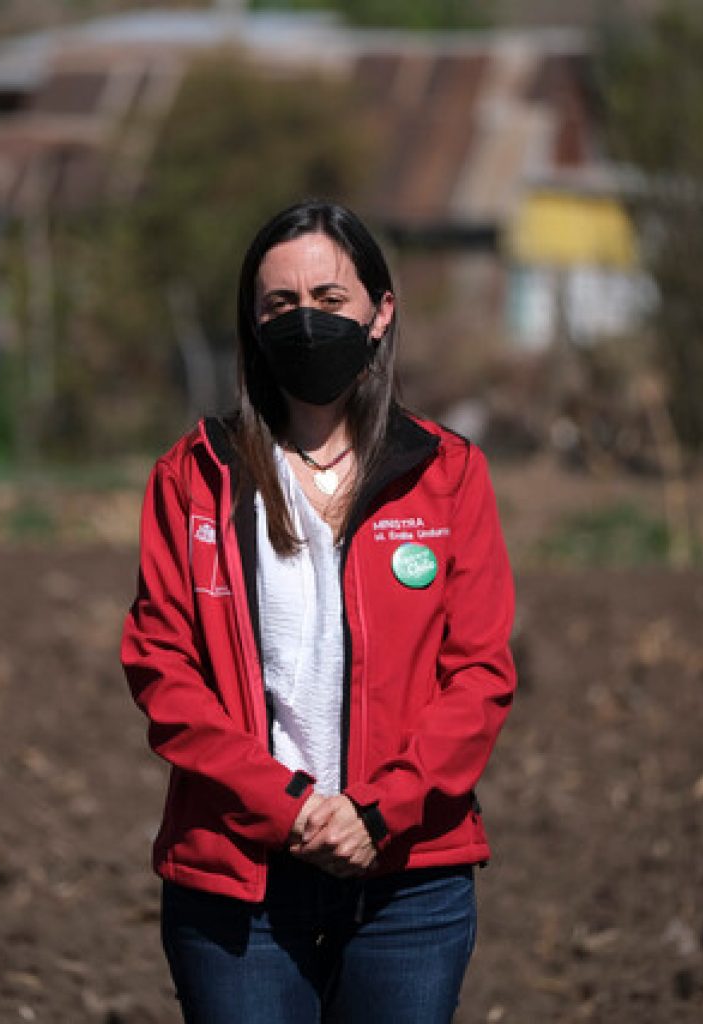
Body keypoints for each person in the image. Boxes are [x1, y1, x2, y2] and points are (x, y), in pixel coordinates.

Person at [122, 200, 516, 1023]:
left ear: (380, 312)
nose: (306, 321)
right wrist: (289, 805)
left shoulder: (448, 475)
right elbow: (163, 672)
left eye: (330, 300)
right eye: (281, 305)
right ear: (253, 323)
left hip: (410, 882)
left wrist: (379, 811)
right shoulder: (192, 477)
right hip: (238, 883)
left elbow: (479, 675)